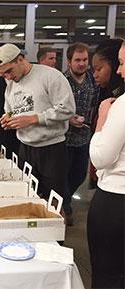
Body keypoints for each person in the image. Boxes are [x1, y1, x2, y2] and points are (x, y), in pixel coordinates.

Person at [0, 43, 75, 199]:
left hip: (51, 149)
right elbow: (12, 109)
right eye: (3, 74)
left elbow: (67, 108)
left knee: (54, 200)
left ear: (20, 59)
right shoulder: (11, 85)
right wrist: (8, 118)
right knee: (27, 196)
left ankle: (60, 220)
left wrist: (34, 119)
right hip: (25, 148)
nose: (8, 77)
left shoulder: (50, 76)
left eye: (9, 71)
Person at [87, 40, 125, 289]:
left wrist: (102, 119)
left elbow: (101, 157)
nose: (120, 71)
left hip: (116, 201)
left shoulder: (120, 105)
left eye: (122, 63)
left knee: (108, 275)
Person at [63, 42, 98, 226]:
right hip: (64, 138)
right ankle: (65, 207)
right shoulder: (62, 80)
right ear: (69, 62)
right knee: (63, 175)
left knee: (78, 176)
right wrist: (68, 119)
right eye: (77, 60)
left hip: (84, 138)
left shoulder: (93, 79)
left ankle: (64, 200)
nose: (82, 63)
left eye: (85, 59)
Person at [89, 38, 125, 188]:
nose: (95, 75)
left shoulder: (118, 102)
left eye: (99, 69)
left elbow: (102, 157)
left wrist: (102, 119)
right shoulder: (105, 93)